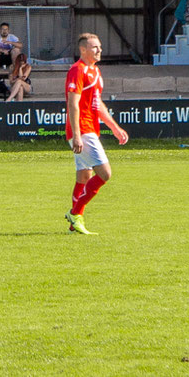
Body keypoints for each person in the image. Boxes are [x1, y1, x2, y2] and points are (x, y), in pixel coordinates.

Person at [62, 32, 129, 235]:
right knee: (105, 173)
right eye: (94, 47)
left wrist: (114, 127)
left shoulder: (96, 71)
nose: (99, 50)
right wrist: (77, 134)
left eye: (99, 46)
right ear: (83, 50)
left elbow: (97, 104)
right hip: (82, 129)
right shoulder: (77, 70)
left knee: (84, 175)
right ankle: (75, 213)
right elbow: (73, 104)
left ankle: (74, 223)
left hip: (91, 128)